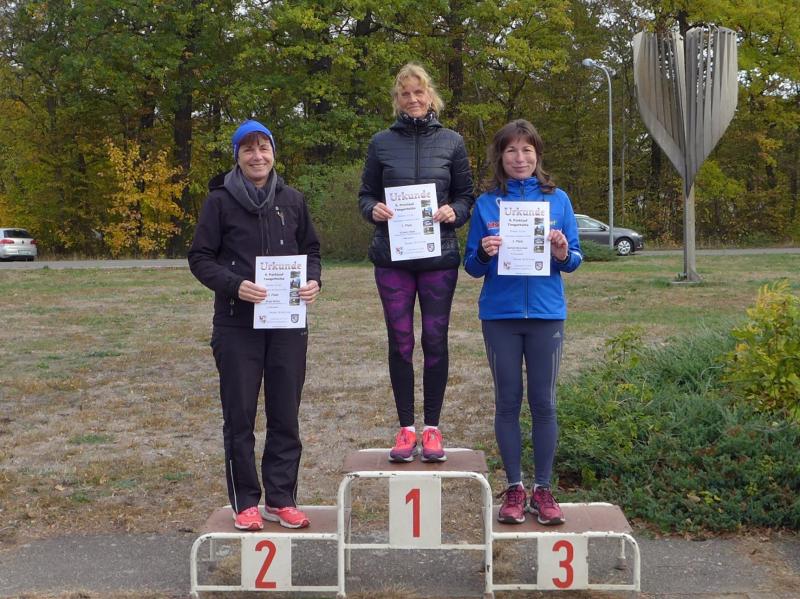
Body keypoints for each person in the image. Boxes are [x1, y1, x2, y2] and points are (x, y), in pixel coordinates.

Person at [188, 120, 321, 530]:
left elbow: (311, 251)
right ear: (237, 157)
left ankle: (281, 498)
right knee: (240, 415)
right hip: (236, 326)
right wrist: (234, 285)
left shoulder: (293, 200)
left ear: (273, 153)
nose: (257, 156)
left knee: (285, 414)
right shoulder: (219, 202)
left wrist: (313, 281)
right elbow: (200, 258)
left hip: (286, 325)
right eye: (248, 149)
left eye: (264, 147)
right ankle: (245, 502)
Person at [464, 119, 582, 525]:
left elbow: (575, 260)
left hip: (547, 315)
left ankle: (543, 489)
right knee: (508, 401)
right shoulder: (487, 204)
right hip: (500, 316)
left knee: (544, 402)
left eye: (527, 150)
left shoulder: (558, 200)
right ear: (500, 156)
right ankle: (515, 488)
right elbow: (471, 267)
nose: (520, 158)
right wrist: (484, 251)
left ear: (537, 155)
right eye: (511, 150)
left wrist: (562, 252)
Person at [359, 63, 474, 463]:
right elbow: (365, 194)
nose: (412, 99)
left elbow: (466, 196)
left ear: (430, 96)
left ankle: (433, 429)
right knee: (401, 341)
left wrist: (454, 212)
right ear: (397, 99)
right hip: (393, 258)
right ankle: (406, 428)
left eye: (418, 91)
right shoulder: (380, 143)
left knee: (435, 341)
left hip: (438, 257)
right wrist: (372, 209)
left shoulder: (452, 141)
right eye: (405, 93)